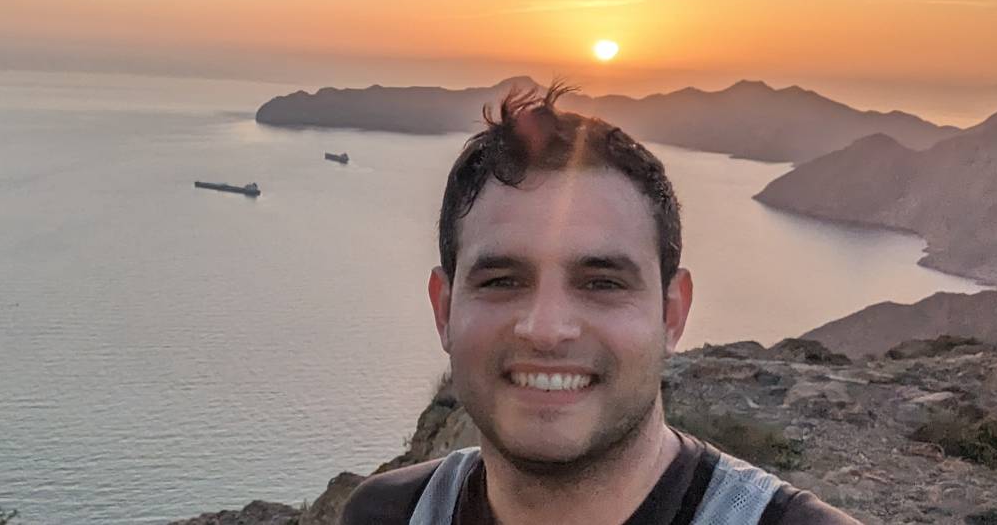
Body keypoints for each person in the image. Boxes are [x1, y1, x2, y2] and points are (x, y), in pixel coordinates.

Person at [340, 85, 859, 524]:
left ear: (671, 313)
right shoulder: (391, 513)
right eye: (501, 280)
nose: (546, 329)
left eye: (602, 283)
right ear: (444, 310)